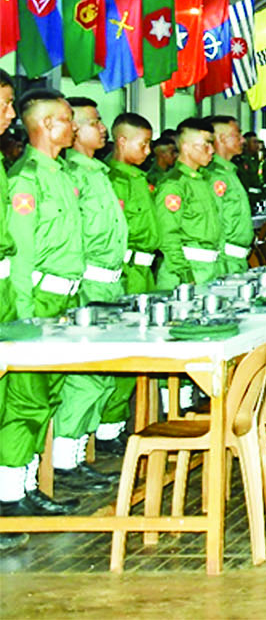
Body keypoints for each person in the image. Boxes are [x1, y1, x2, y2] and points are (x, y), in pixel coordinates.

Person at [0, 83, 79, 541]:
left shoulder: (59, 174)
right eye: (67, 119)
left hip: (64, 300)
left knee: (47, 396)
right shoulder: (26, 178)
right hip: (37, 299)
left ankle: (26, 484)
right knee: (26, 398)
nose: (74, 127)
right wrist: (25, 316)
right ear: (47, 124)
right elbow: (22, 257)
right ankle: (10, 495)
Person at [48, 97, 127, 494]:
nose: (103, 129)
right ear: (75, 129)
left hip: (110, 284)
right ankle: (64, 461)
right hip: (88, 284)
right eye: (95, 122)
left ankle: (79, 455)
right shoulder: (72, 175)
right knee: (85, 377)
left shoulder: (98, 173)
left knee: (103, 375)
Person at [96, 112, 160, 456]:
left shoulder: (139, 179)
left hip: (145, 273)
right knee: (121, 352)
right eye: (143, 144)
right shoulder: (111, 180)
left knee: (137, 352)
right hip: (126, 272)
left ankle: (116, 425)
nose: (148, 151)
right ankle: (106, 429)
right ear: (121, 141)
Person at [153, 118, 224, 289]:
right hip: (186, 274)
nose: (212, 150)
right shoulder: (174, 185)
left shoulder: (204, 181)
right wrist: (185, 274)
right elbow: (167, 235)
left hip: (210, 270)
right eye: (206, 144)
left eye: (212, 144)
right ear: (186, 147)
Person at [207, 115, 255, 274]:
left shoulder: (230, 172)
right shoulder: (214, 175)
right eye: (237, 135)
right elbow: (214, 226)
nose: (242, 140)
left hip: (237, 260)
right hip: (225, 262)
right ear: (221, 138)